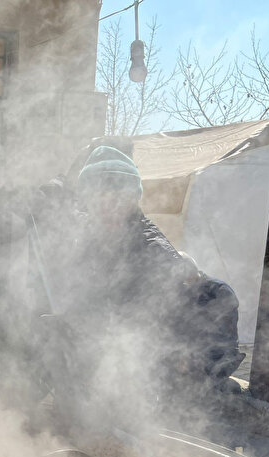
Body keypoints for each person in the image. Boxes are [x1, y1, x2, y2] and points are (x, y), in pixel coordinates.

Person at [28, 146, 243, 432]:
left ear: (133, 198)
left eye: (118, 196)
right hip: (86, 377)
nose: (108, 204)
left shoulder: (154, 252)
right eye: (98, 195)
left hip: (136, 387)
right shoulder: (89, 235)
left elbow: (146, 334)